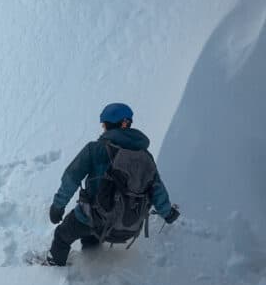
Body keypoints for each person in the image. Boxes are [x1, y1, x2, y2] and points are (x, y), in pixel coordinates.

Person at [44, 103, 179, 266]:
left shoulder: (95, 149)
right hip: (128, 226)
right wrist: (168, 213)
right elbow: (158, 190)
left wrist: (57, 207)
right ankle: (91, 259)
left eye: (104, 125)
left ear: (110, 125)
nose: (103, 129)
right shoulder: (145, 156)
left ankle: (53, 266)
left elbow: (71, 179)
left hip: (95, 220)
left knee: (62, 234)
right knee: (92, 229)